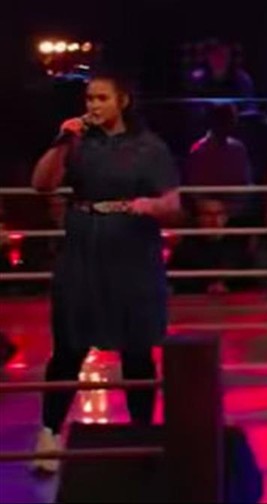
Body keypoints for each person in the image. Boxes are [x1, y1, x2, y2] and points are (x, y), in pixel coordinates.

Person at [30, 70, 180, 473]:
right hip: (82, 253)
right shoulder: (77, 142)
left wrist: (151, 206)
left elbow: (173, 202)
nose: (93, 105)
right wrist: (62, 142)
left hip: (131, 255)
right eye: (89, 98)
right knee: (68, 347)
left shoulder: (149, 147)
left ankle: (141, 437)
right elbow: (41, 184)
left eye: (101, 98)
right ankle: (49, 433)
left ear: (122, 101)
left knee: (137, 349)